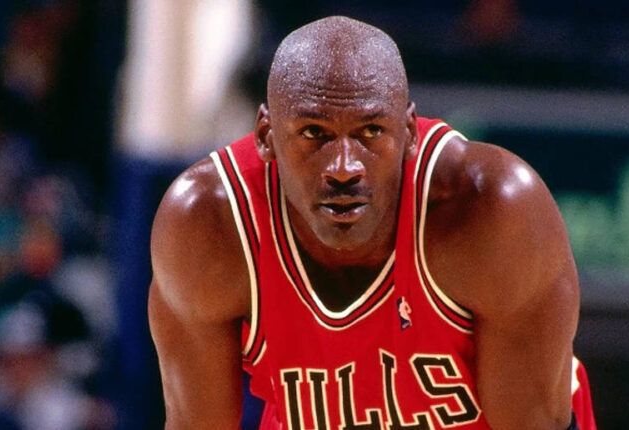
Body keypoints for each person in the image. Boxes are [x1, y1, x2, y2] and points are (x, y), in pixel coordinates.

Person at [148, 16, 596, 430]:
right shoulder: (207, 224)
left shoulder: (492, 211)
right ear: (266, 136)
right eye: (314, 133)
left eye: (371, 132)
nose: (344, 167)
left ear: (410, 133)